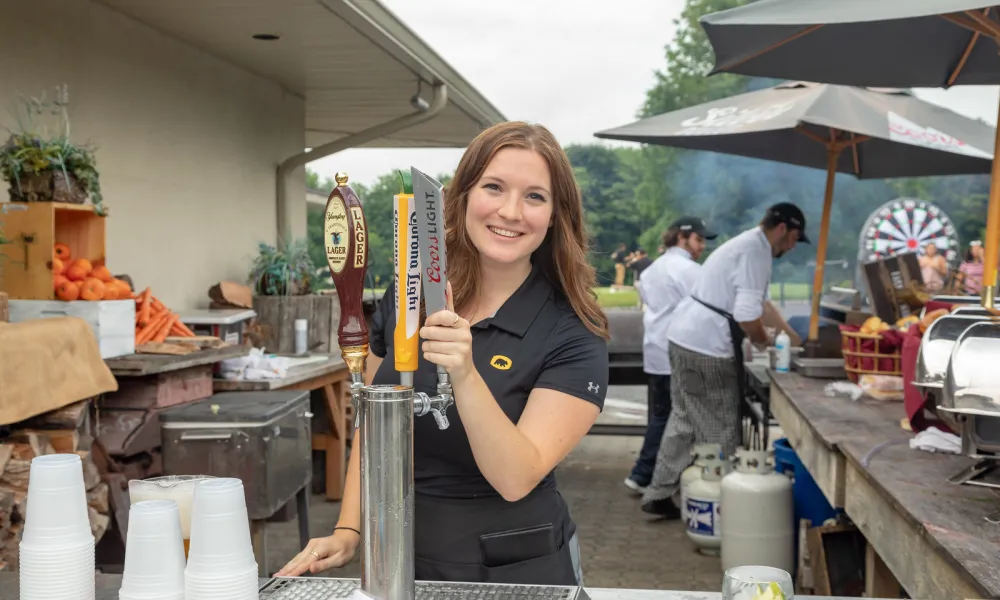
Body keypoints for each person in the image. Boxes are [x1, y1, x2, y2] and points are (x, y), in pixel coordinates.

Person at [278, 121, 610, 586]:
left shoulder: (573, 329)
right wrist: (350, 529)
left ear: (556, 215)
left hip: (516, 568)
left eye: (535, 196)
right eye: (494, 187)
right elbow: (376, 423)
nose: (511, 211)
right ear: (464, 195)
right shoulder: (408, 294)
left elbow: (516, 477)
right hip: (401, 556)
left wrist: (466, 375)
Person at [641, 203, 808, 517]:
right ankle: (725, 514)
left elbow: (761, 304)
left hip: (682, 337)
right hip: (706, 346)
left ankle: (659, 492)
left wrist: (793, 340)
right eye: (795, 237)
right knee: (721, 427)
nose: (794, 246)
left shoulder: (747, 245)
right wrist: (764, 342)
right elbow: (747, 315)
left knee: (684, 418)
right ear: (783, 228)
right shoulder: (756, 253)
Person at [623, 217, 716, 495]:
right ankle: (653, 476)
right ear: (682, 238)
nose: (701, 247)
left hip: (655, 349)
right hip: (679, 351)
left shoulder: (653, 268)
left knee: (662, 415)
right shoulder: (689, 270)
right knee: (678, 420)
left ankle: (646, 474)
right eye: (699, 240)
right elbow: (707, 309)